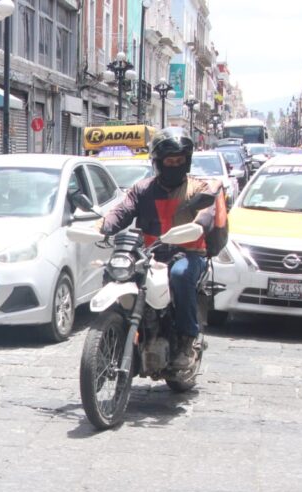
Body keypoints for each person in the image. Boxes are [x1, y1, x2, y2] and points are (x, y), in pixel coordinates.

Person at [95, 127, 226, 368]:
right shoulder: (142, 190)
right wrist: (102, 226)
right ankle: (116, 330)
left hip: (188, 253)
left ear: (187, 161)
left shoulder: (198, 189)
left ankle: (186, 340)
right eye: (169, 160)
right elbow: (122, 211)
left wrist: (197, 227)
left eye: (179, 160)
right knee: (114, 272)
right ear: (158, 162)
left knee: (180, 275)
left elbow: (205, 218)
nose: (174, 165)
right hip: (150, 254)